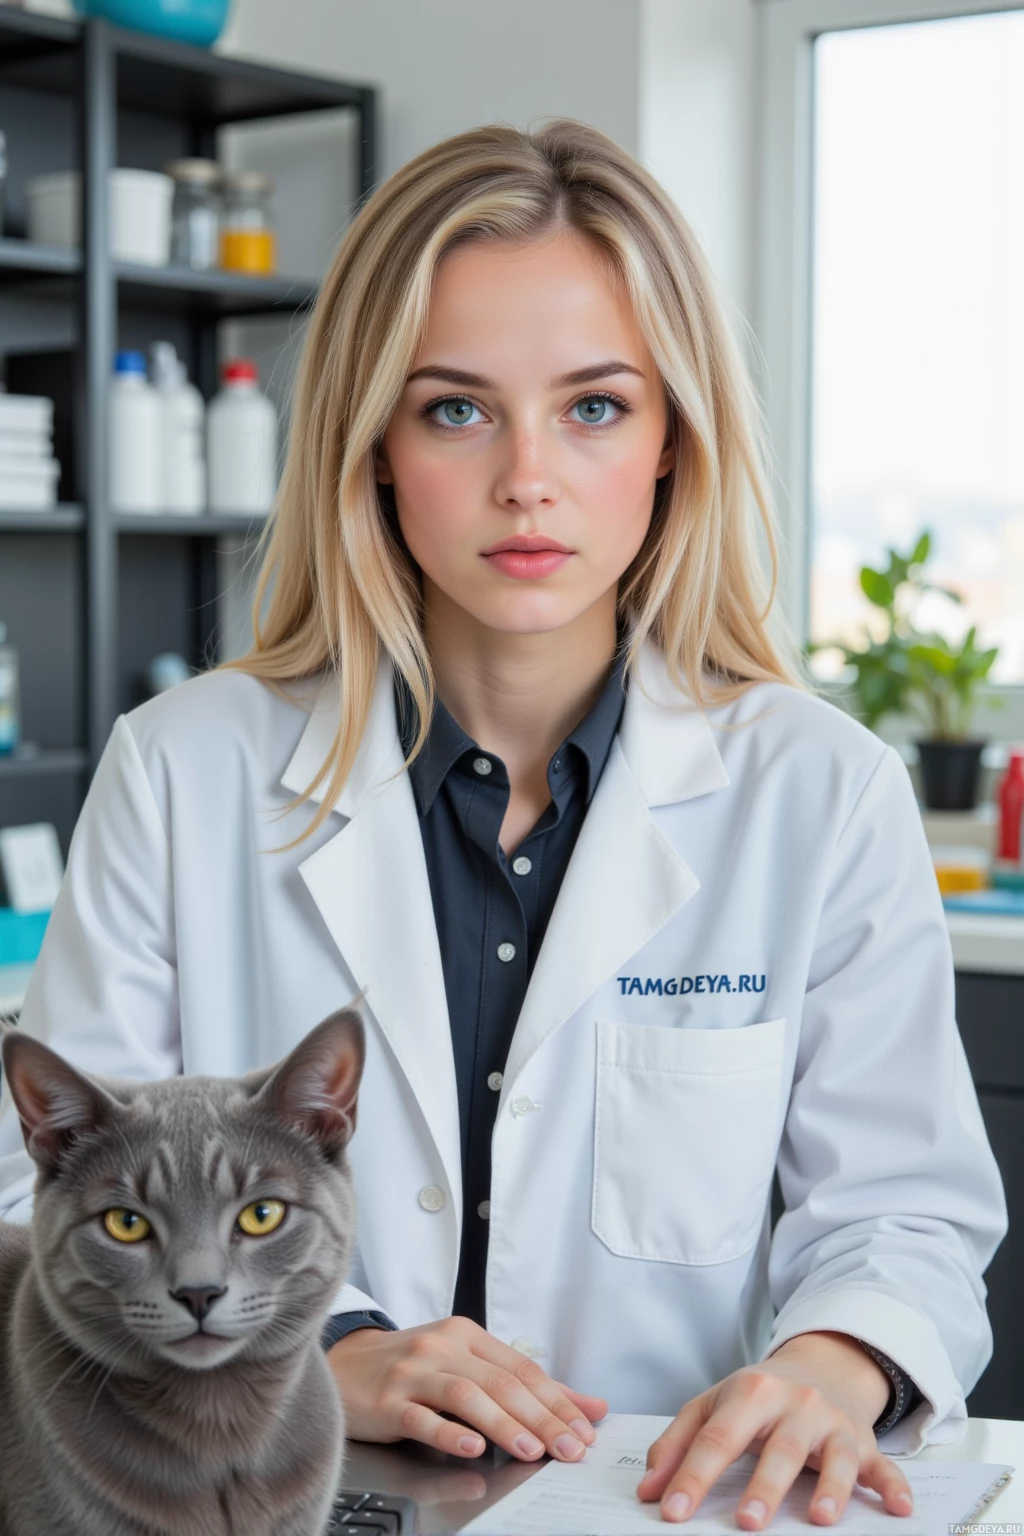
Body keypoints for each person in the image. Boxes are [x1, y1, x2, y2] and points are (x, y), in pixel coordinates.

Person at [0, 119, 1007, 1531]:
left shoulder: (817, 791)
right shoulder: (184, 769)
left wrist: (835, 1368)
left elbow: (903, 1213)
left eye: (594, 406)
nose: (527, 477)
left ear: (671, 439)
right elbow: (42, 1178)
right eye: (455, 409)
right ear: (371, 446)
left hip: (654, 1500)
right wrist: (329, 1344)